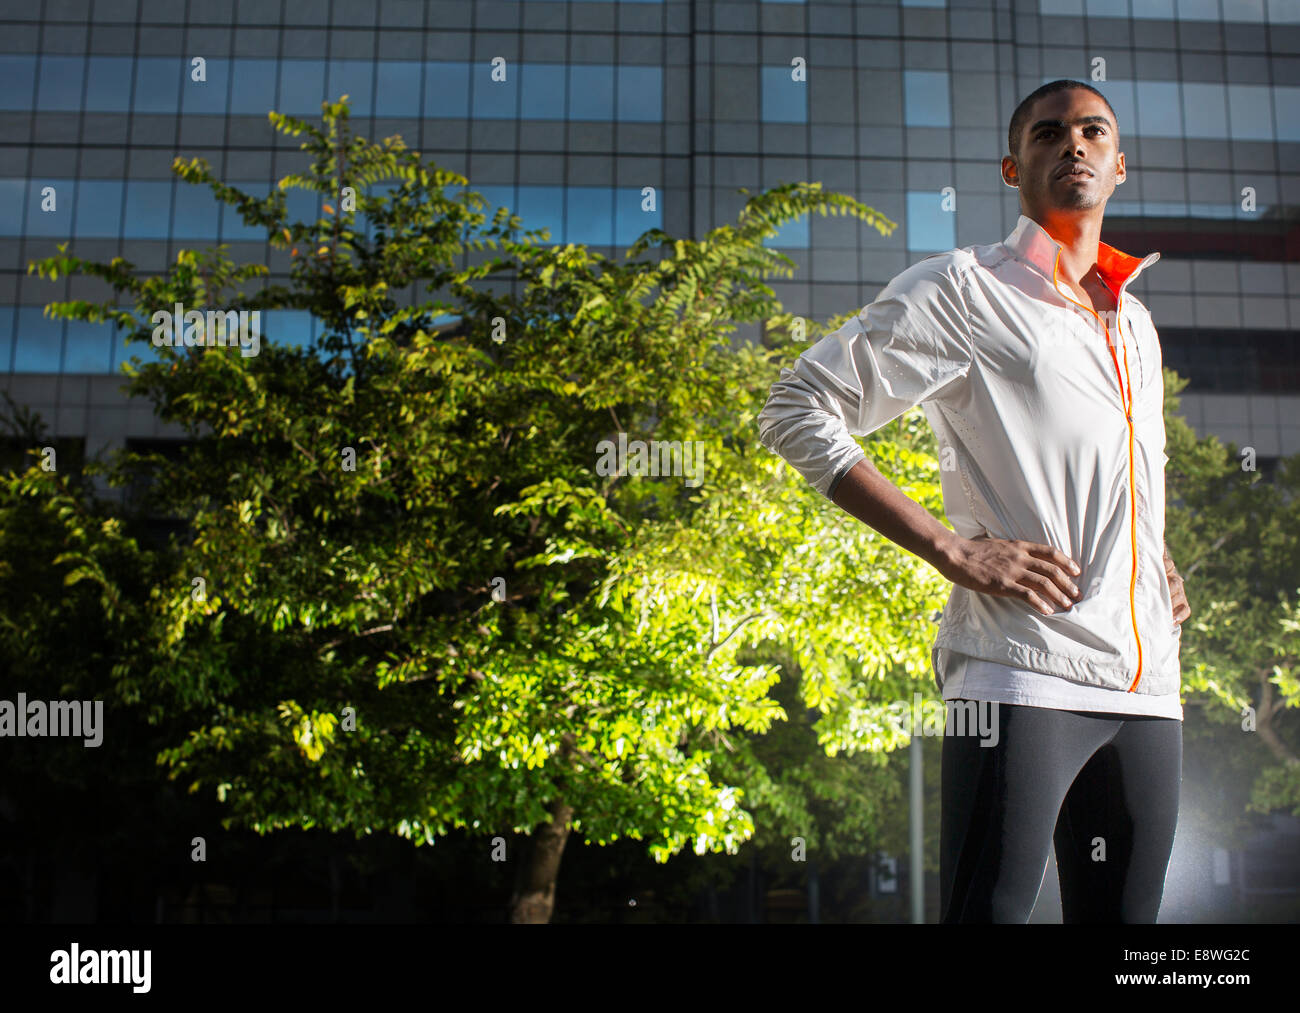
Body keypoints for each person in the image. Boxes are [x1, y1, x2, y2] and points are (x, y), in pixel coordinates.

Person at [756, 80, 1192, 923]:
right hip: (1021, 670)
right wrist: (950, 550)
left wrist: (1154, 554)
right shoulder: (963, 288)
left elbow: (1119, 468)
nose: (1074, 144)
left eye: (1093, 131)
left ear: (1119, 163)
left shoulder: (1134, 320)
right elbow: (795, 407)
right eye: (1048, 132)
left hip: (1149, 685)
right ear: (1011, 165)